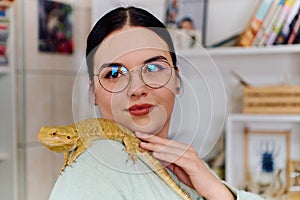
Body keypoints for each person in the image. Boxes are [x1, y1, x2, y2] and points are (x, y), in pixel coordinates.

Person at [49, 6, 262, 200]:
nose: (137, 89)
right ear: (93, 92)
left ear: (177, 80)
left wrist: (220, 193)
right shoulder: (89, 177)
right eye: (114, 73)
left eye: (153, 68)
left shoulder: (190, 169)